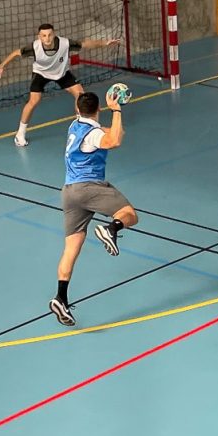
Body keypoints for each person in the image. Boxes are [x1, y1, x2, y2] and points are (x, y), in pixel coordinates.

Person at [48, 90, 138, 326]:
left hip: (69, 192)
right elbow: (115, 140)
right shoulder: (94, 134)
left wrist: (114, 122)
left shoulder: (74, 126)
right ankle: (111, 229)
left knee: (71, 248)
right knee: (129, 215)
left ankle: (61, 297)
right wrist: (117, 109)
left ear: (77, 110)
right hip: (89, 187)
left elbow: (115, 133)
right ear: (99, 109)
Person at [0, 24, 120, 146]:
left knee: (80, 94)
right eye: (44, 35)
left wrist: (105, 43)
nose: (47, 38)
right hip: (41, 73)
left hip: (61, 73)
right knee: (34, 100)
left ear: (54, 34)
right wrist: (2, 66)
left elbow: (85, 44)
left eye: (50, 35)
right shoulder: (34, 47)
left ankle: (80, 125)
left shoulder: (65, 43)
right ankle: (20, 134)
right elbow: (16, 53)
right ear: (39, 36)